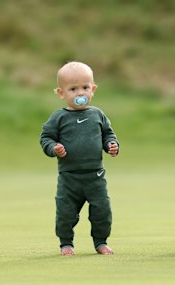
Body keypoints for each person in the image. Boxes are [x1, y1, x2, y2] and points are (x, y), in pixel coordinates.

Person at [40, 61, 119, 256]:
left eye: (85, 88)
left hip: (95, 176)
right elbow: (46, 138)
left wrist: (111, 145)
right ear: (61, 93)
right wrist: (53, 148)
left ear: (93, 89)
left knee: (102, 211)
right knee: (65, 213)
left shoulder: (97, 115)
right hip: (70, 178)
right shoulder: (59, 117)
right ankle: (66, 243)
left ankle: (101, 242)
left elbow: (108, 135)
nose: (80, 94)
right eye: (73, 89)